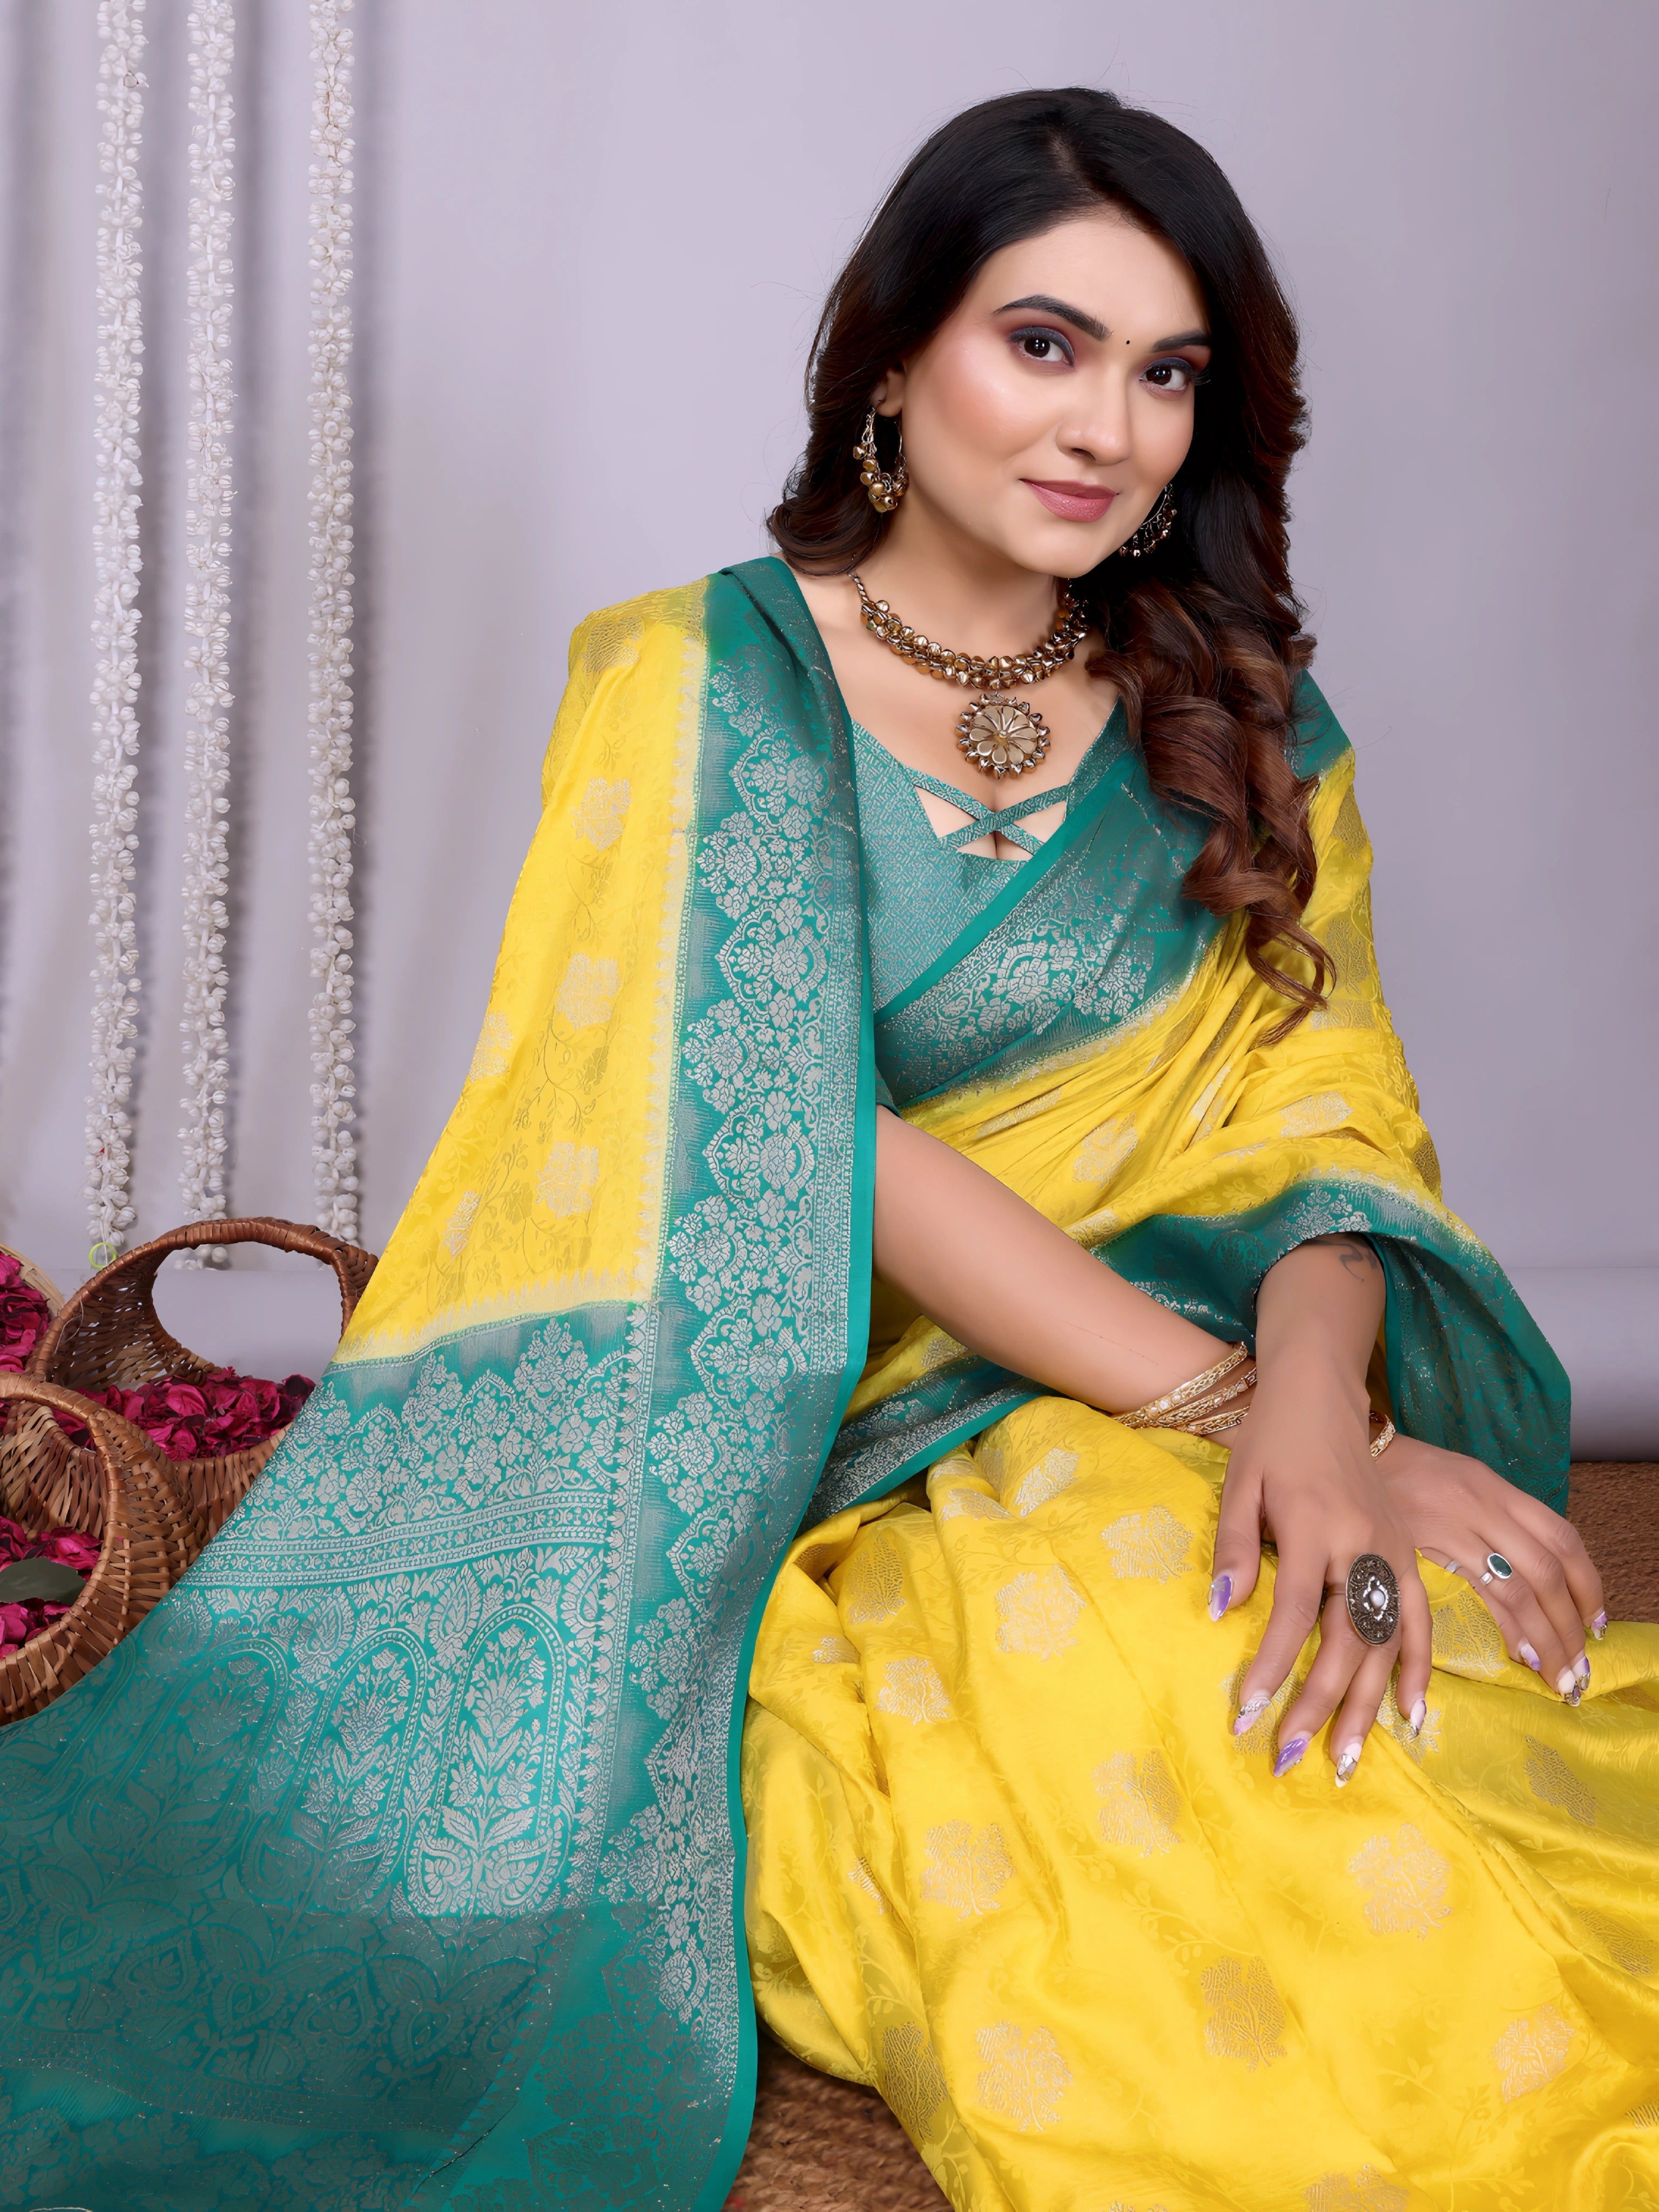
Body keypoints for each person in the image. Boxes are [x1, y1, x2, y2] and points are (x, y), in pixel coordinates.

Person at [0, 84, 1652, 2212]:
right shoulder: (708, 679)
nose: (1106, 427)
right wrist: (1243, 1407)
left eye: (1167, 374)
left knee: (1397, 1668)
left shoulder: (1244, 716)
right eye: (1041, 343)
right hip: (816, 1438)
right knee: (1153, 1675)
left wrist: (1330, 1420)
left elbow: (1320, 1110)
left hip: (1190, 1377)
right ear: (895, 358)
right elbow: (799, 1132)